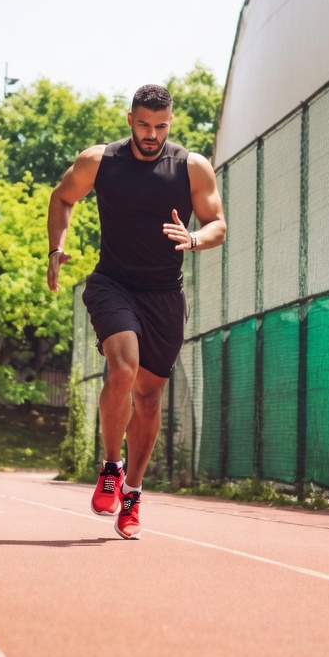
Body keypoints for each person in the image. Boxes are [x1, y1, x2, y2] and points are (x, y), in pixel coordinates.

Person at [46, 84, 227, 539]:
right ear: (130, 120)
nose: (152, 134)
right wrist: (56, 248)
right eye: (144, 125)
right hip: (113, 284)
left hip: (165, 293)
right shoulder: (100, 161)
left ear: (171, 122)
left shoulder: (191, 166)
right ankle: (110, 465)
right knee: (122, 369)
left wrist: (195, 239)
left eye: (161, 126)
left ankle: (132, 492)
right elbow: (62, 197)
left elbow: (217, 223)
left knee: (148, 399)